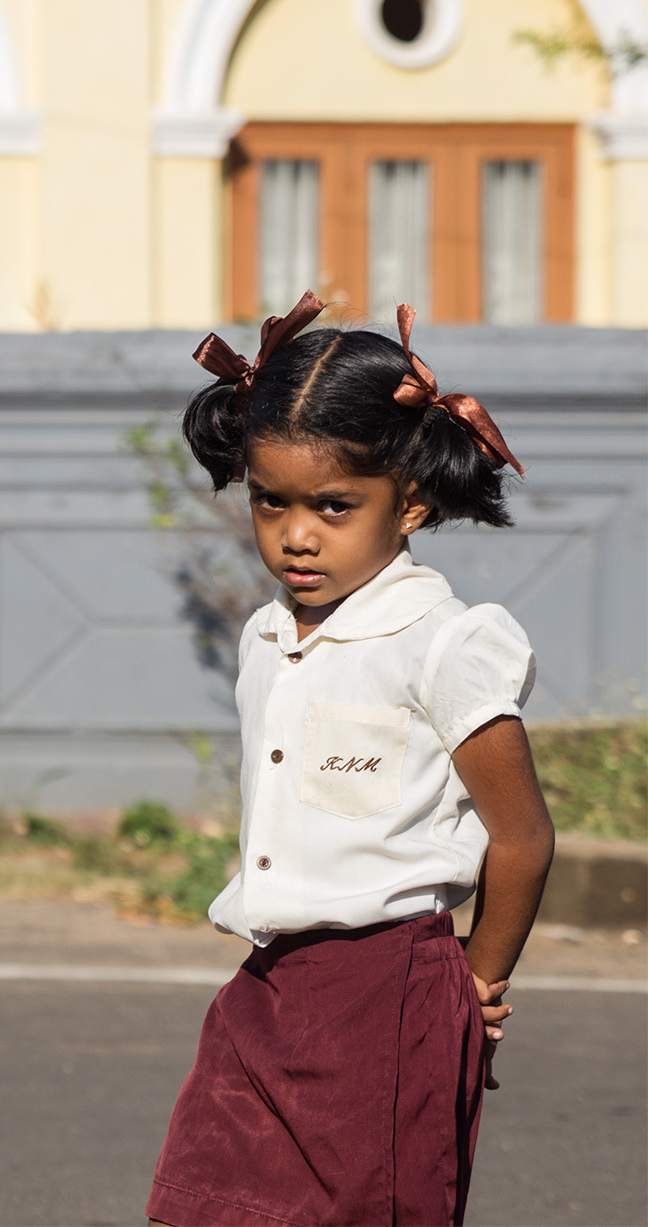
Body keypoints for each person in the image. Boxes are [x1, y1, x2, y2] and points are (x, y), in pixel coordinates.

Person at [146, 293, 556, 1227]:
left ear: (410, 499)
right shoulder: (266, 635)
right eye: (271, 501)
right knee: (202, 1202)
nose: (297, 533)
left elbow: (523, 837)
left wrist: (475, 983)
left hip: (390, 993)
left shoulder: (444, 642)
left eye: (335, 506)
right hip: (268, 984)